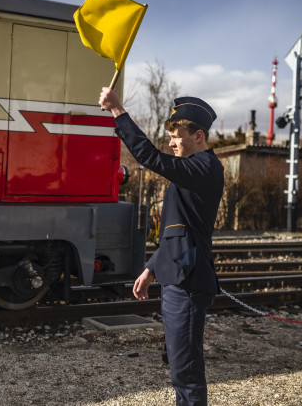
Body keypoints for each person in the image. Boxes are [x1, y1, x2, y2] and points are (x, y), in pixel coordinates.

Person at [99, 88, 223, 406]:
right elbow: (176, 232)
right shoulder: (189, 173)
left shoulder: (205, 168)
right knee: (179, 366)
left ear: (198, 136)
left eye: (176, 136)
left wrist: (118, 111)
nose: (171, 142)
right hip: (176, 279)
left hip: (188, 283)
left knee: (186, 372)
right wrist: (151, 268)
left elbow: (148, 157)